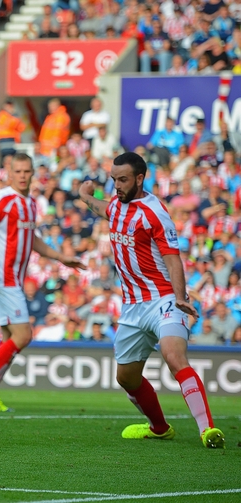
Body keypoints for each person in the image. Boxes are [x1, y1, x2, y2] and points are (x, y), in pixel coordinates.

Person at [78, 151, 225, 449]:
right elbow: (101, 208)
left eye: (123, 180)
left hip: (163, 300)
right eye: (113, 180)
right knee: (127, 378)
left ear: (140, 179)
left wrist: (180, 296)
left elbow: (173, 260)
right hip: (132, 306)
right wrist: (84, 196)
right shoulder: (117, 207)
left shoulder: (154, 212)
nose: (117, 186)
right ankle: (159, 428)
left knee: (173, 355)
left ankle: (207, 429)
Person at [0, 153, 85, 412]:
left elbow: (34, 241)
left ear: (32, 174)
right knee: (24, 335)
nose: (22, 176)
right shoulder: (2, 199)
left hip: (12, 279)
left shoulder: (29, 203)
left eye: (26, 171)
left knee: (10, 338)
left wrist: (62, 257)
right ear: (10, 174)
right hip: (1, 277)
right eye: (17, 171)